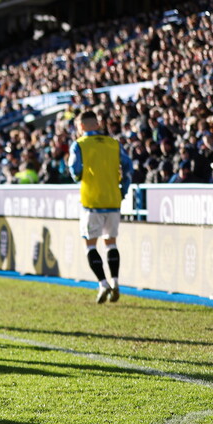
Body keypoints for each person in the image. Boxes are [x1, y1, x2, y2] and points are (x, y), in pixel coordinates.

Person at [68, 110, 132, 303]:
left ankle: (103, 284)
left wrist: (79, 176)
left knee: (90, 244)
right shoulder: (114, 144)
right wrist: (123, 189)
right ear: (97, 124)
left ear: (80, 127)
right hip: (113, 199)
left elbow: (74, 170)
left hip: (91, 201)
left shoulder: (79, 145)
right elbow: (129, 166)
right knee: (111, 242)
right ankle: (115, 281)